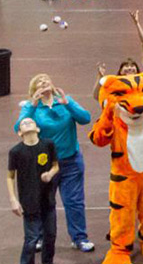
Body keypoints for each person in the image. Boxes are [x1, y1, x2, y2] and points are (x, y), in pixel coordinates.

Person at [15, 74, 94, 252]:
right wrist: (32, 106)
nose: (44, 82)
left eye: (46, 80)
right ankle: (41, 238)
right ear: (34, 91)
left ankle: (79, 238)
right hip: (45, 165)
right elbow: (18, 127)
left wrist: (68, 103)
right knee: (44, 203)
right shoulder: (31, 108)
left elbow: (85, 118)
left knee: (74, 201)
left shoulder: (65, 102)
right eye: (39, 82)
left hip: (71, 160)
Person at [8, 117, 62, 264]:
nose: (27, 124)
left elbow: (55, 165)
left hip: (47, 197)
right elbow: (10, 176)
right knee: (31, 238)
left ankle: (47, 262)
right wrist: (13, 199)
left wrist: (51, 174)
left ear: (37, 129)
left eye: (30, 122)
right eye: (24, 123)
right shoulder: (16, 152)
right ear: (20, 133)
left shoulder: (48, 145)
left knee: (51, 233)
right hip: (29, 200)